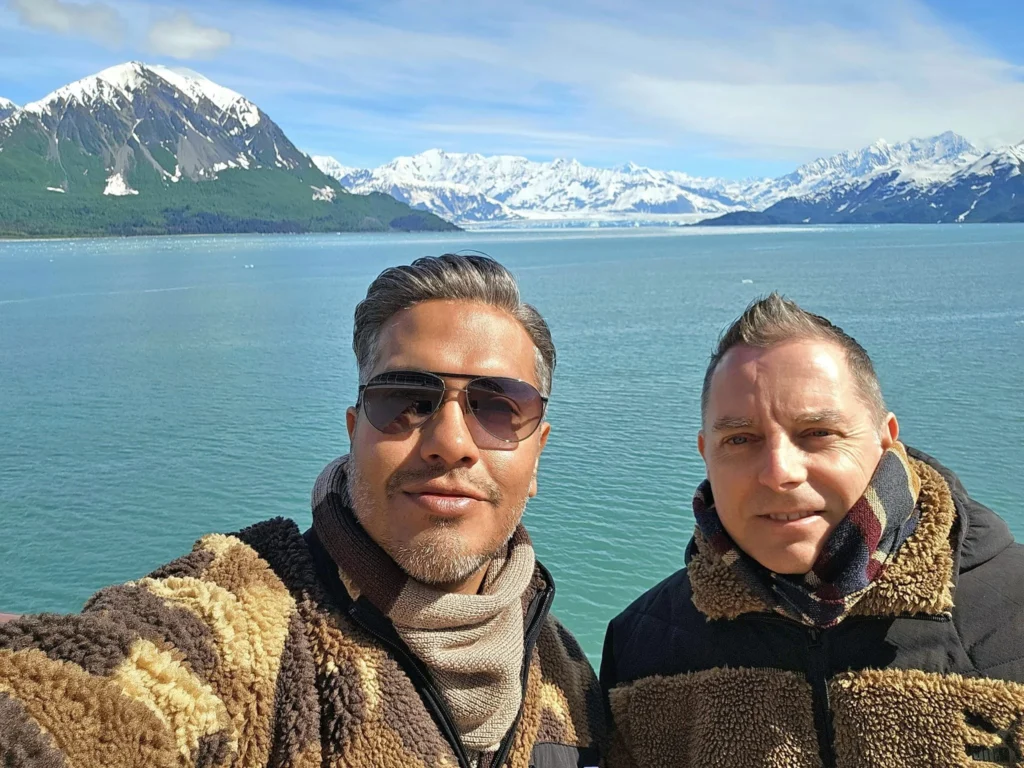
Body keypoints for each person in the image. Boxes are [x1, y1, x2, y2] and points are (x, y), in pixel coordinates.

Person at [0, 254, 603, 768]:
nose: (452, 440)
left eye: (497, 407)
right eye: (405, 400)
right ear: (354, 432)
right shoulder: (248, 624)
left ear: (537, 453)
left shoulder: (567, 678)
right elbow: (78, 699)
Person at [600, 293, 1024, 768]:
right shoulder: (642, 647)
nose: (780, 471)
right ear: (706, 453)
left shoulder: (1013, 608)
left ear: (885, 438)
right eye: (740, 439)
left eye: (817, 433)